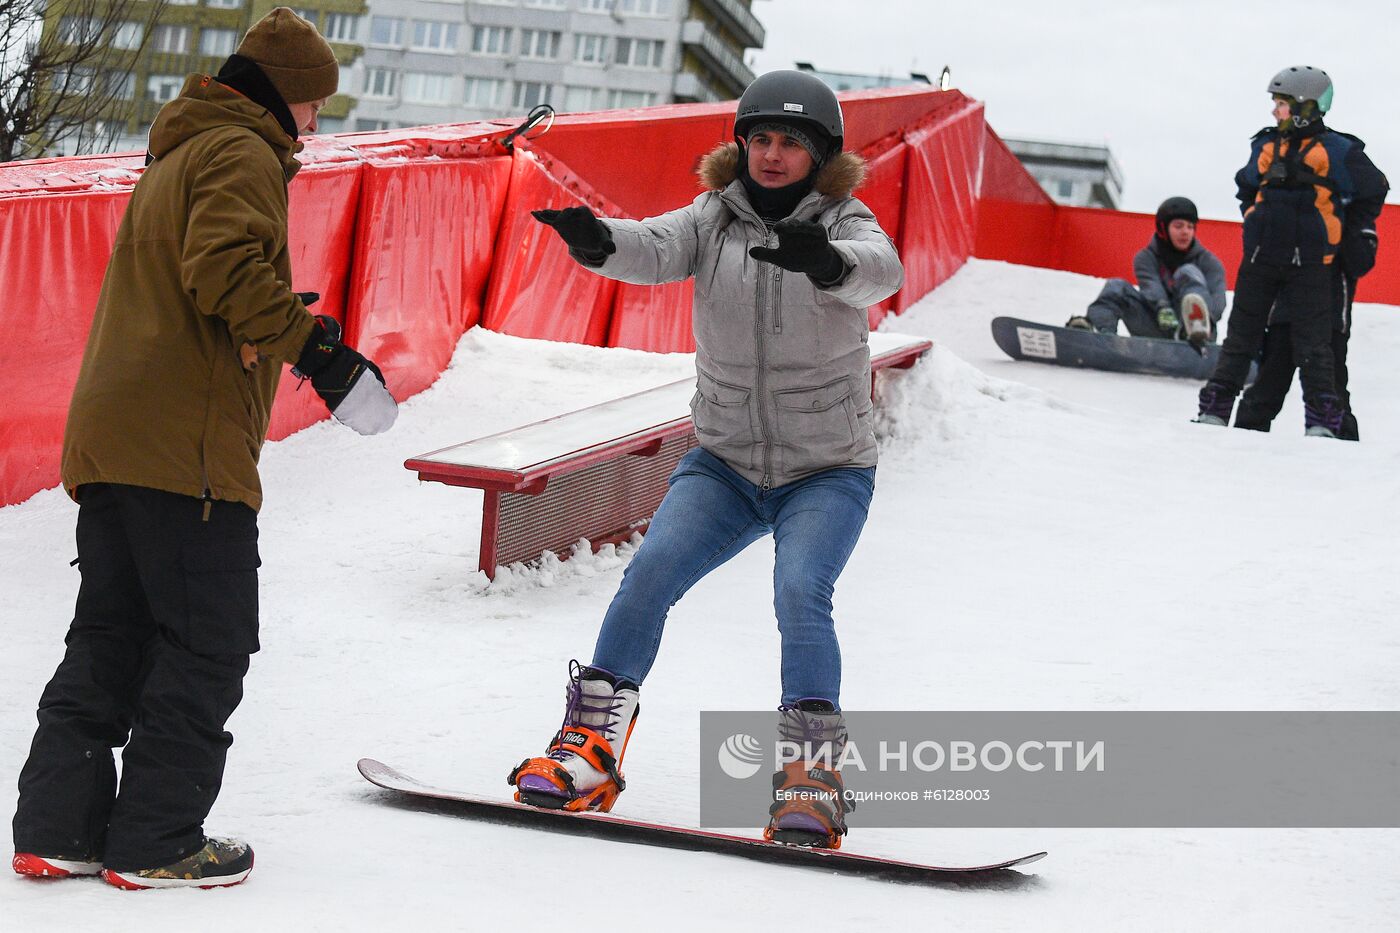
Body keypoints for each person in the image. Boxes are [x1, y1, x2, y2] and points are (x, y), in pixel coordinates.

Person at [11, 9, 396, 891]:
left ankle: (58, 829)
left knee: (111, 632)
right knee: (211, 639)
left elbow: (203, 284)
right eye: (312, 106)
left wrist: (278, 321)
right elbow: (223, 272)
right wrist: (322, 355)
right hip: (184, 449)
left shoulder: (179, 153)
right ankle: (155, 838)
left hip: (116, 437)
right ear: (282, 97)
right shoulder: (243, 152)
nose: (315, 125)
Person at [508, 70, 904, 849]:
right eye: (760, 138)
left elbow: (879, 268)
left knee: (801, 592)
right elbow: (654, 246)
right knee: (649, 573)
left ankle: (811, 778)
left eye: (791, 141)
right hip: (723, 461)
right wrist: (598, 241)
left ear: (820, 153)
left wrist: (825, 261)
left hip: (825, 469)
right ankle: (589, 750)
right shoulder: (713, 217)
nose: (773, 153)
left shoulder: (845, 219)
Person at [1196, 65, 1388, 436]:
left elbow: (1374, 188)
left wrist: (1358, 234)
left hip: (1314, 264)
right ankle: (1215, 411)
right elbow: (1245, 186)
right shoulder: (1265, 145)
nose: (1274, 111)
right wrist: (1254, 217)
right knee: (1241, 338)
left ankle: (1322, 422)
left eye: (1281, 104)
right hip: (1261, 259)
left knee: (1316, 345)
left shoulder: (1339, 150)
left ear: (1305, 107)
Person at [1235, 167, 1388, 441]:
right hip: (1286, 314)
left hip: (1330, 318)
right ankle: (1241, 445)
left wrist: (1345, 224)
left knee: (1332, 390)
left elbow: (1361, 262)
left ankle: (1342, 450)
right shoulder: (1294, 212)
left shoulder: (1354, 217)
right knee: (1266, 387)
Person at [1066, 196, 1226, 347]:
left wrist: (1207, 318)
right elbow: (1150, 284)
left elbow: (1218, 299)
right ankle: (1101, 337)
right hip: (1159, 323)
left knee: (1187, 272)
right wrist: (1162, 307)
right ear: (1163, 228)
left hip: (1199, 334)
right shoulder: (1146, 258)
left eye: (1190, 227)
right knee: (1116, 287)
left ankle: (1194, 327)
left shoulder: (1209, 263)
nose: (1185, 232)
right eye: (1178, 226)